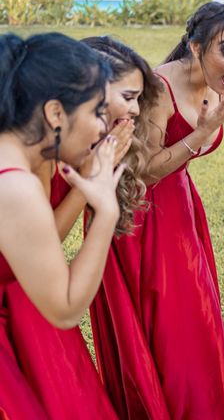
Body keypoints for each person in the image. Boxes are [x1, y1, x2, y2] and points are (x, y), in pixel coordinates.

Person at [91, 3, 224, 418]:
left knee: (195, 321)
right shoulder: (160, 87)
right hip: (142, 215)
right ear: (196, 47)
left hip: (180, 206)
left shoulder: (215, 85)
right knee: (173, 326)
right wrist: (199, 133)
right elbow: (141, 171)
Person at [0, 32, 123, 418]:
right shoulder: (14, 185)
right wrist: (106, 211)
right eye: (96, 111)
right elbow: (65, 309)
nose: (104, 127)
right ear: (55, 113)